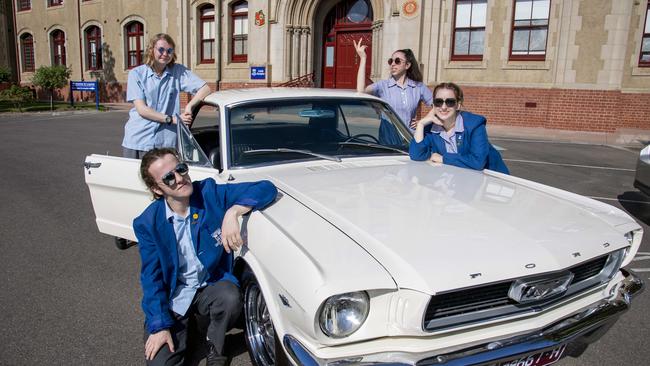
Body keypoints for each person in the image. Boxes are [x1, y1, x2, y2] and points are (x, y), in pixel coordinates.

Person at [134, 148, 277, 366]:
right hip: (176, 296)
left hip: (211, 285)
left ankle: (216, 345)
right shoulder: (147, 223)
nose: (180, 178)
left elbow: (266, 188)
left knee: (229, 297)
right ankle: (185, 328)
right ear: (157, 188)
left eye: (180, 169)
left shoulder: (208, 193)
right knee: (160, 363)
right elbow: (151, 278)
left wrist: (233, 212)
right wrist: (159, 326)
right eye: (169, 178)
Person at [122, 33, 212, 158]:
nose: (165, 54)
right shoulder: (136, 74)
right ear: (151, 50)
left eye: (169, 50)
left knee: (166, 177)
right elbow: (142, 110)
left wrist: (189, 106)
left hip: (165, 142)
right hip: (139, 140)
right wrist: (172, 119)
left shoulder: (178, 72)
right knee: (135, 177)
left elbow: (205, 89)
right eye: (161, 50)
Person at [409, 82, 509, 174]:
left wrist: (443, 159)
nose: (443, 107)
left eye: (450, 102)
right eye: (438, 102)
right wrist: (421, 124)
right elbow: (416, 155)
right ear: (433, 105)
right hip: (460, 178)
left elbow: (478, 162)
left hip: (492, 179)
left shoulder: (474, 124)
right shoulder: (430, 127)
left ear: (458, 105)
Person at [354, 39, 433, 131]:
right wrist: (363, 58)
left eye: (397, 61)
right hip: (388, 141)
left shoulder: (418, 87)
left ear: (407, 65)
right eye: (391, 61)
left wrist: (424, 121)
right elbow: (361, 91)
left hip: (410, 138)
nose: (393, 64)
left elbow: (438, 106)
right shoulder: (382, 86)